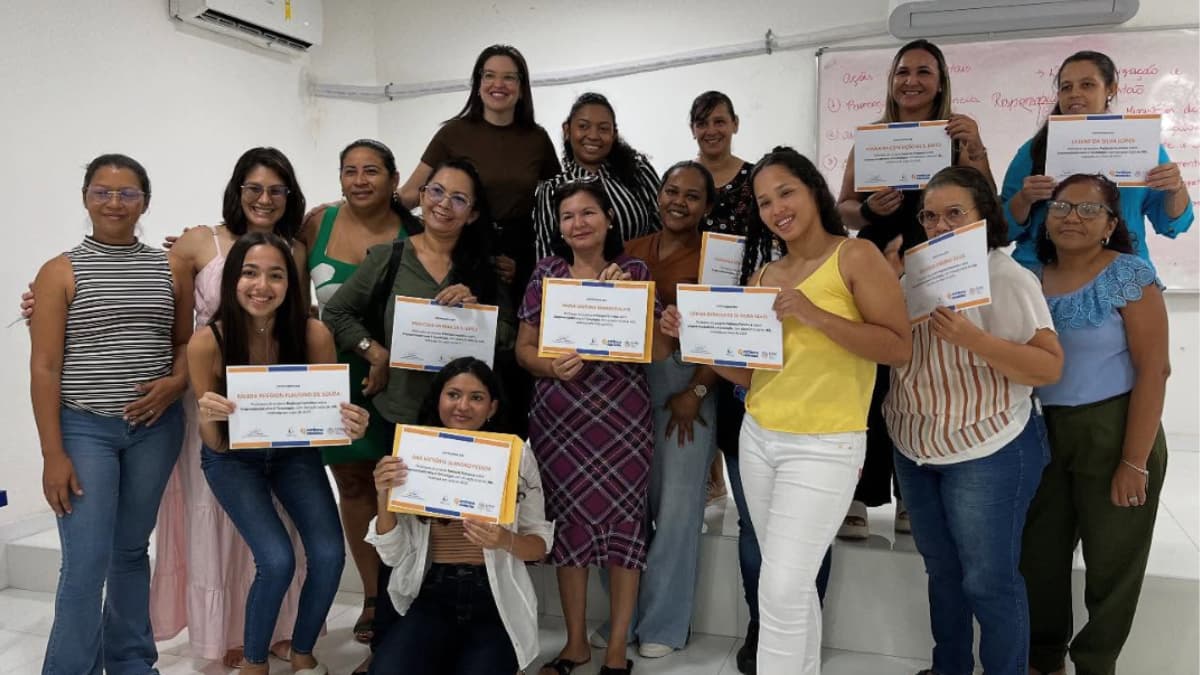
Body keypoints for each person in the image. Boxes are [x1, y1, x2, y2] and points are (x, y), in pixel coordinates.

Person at [662, 147, 911, 674]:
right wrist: (698, 341)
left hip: (825, 444)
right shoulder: (766, 274)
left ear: (813, 190)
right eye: (765, 201)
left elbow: (898, 347)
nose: (777, 208)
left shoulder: (856, 256)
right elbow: (752, 375)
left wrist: (816, 314)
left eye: (786, 193)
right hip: (760, 435)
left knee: (780, 586)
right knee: (789, 586)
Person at [323, 158, 512, 669]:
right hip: (402, 419)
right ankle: (390, 639)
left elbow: (512, 340)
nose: (443, 205)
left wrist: (477, 309)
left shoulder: (485, 269)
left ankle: (463, 633)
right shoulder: (388, 257)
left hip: (467, 427)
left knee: (454, 534)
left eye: (458, 199)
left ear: (473, 213)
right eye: (436, 191)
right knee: (400, 533)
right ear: (421, 193)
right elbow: (336, 311)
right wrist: (375, 351)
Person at [882, 166, 1063, 675]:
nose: (939, 226)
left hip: (988, 450)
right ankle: (951, 668)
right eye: (930, 216)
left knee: (989, 581)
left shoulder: (1007, 276)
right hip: (915, 444)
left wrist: (975, 340)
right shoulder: (910, 276)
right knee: (943, 572)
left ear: (985, 216)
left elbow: (1049, 367)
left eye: (954, 214)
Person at [31, 154, 192, 674]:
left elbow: (185, 343)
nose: (115, 203)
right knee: (85, 562)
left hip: (155, 429)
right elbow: (45, 367)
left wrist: (174, 384)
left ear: (145, 201)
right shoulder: (60, 272)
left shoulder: (167, 267)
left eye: (127, 194)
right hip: (85, 427)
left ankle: (129, 662)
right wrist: (53, 454)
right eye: (103, 192)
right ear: (85, 197)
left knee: (129, 551)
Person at [150, 146, 311, 666]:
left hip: (275, 405)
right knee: (217, 515)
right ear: (236, 190)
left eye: (276, 190)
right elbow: (174, 323)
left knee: (277, 519)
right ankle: (222, 635)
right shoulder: (199, 241)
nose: (264, 199)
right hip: (213, 401)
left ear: (290, 197)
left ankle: (276, 626)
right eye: (254, 188)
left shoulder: (295, 249)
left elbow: (300, 329)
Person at [834, 38, 994, 540]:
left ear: (940, 81)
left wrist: (977, 147)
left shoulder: (956, 137)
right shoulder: (873, 138)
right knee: (874, 378)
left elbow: (984, 203)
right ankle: (861, 494)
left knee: (923, 373)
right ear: (892, 80)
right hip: (878, 262)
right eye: (903, 71)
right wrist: (869, 211)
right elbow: (842, 209)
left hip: (940, 264)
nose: (912, 81)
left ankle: (911, 494)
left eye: (924, 72)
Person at [189, 232, 370, 674]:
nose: (261, 286)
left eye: (275, 275)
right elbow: (213, 443)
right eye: (250, 273)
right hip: (232, 458)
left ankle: (304, 653)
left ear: (292, 284)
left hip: (293, 455)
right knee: (276, 559)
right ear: (233, 279)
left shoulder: (313, 334)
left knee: (329, 554)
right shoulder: (207, 342)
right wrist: (207, 415)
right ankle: (254, 664)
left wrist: (349, 426)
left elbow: (326, 430)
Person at [517, 180, 671, 675]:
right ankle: (576, 644)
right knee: (569, 533)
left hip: (622, 420)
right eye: (567, 216)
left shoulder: (635, 272)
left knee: (625, 530)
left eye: (588, 213)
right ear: (558, 227)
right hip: (559, 420)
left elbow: (660, 353)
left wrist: (636, 305)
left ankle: (616, 647)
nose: (578, 223)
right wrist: (547, 366)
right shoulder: (545, 274)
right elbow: (523, 349)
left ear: (608, 220)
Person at [1021, 174, 1170, 675]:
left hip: (1116, 428)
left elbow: (1155, 370)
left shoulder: (1130, 276)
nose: (1072, 217)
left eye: (1089, 210)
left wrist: (1133, 460)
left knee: (1112, 562)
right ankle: (1044, 658)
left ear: (1111, 224)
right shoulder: (1028, 276)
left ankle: (1096, 662)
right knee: (1038, 555)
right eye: (1062, 207)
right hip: (1041, 431)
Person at [396, 44, 559, 439]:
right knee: (462, 361)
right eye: (489, 75)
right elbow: (407, 195)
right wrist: (345, 206)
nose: (498, 84)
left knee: (512, 364)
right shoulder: (453, 132)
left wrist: (526, 263)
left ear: (522, 87)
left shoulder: (536, 138)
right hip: (464, 250)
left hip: (520, 260)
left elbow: (555, 205)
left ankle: (507, 466)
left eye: (508, 77)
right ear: (477, 83)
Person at [298, 138, 419, 652]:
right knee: (352, 482)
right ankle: (372, 595)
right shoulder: (316, 222)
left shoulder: (415, 229)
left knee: (402, 483)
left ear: (395, 180)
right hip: (337, 372)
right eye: (350, 170)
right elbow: (272, 272)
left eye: (373, 170)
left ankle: (408, 595)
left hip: (404, 376)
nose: (361, 180)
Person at [366, 357, 553, 674]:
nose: (462, 406)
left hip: (493, 603)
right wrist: (384, 495)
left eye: (476, 397)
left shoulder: (516, 454)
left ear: (492, 408)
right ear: (438, 398)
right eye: (453, 394)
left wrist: (504, 540)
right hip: (431, 595)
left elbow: (540, 545)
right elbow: (393, 554)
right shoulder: (414, 452)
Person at [618, 161, 719, 658]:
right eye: (672, 191)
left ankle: (661, 624)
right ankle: (625, 620)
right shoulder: (633, 250)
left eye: (693, 195)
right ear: (658, 195)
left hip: (687, 387)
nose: (679, 201)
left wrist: (696, 391)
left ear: (708, 206)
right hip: (629, 388)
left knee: (678, 510)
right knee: (629, 507)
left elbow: (727, 332)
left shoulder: (717, 257)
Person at [1001, 50, 1192, 271]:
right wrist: (1025, 199)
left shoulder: (1141, 146)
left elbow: (1173, 226)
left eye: (1087, 85)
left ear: (1110, 89)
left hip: (1122, 275)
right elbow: (1002, 230)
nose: (1074, 94)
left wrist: (1175, 188)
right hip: (1042, 278)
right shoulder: (1033, 151)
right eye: (1066, 87)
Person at [532, 92, 662, 261]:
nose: (593, 136)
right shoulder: (551, 190)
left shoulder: (639, 172)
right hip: (581, 285)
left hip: (642, 278)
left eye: (603, 129)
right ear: (567, 129)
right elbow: (547, 254)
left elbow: (663, 231)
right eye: (583, 126)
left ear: (614, 134)